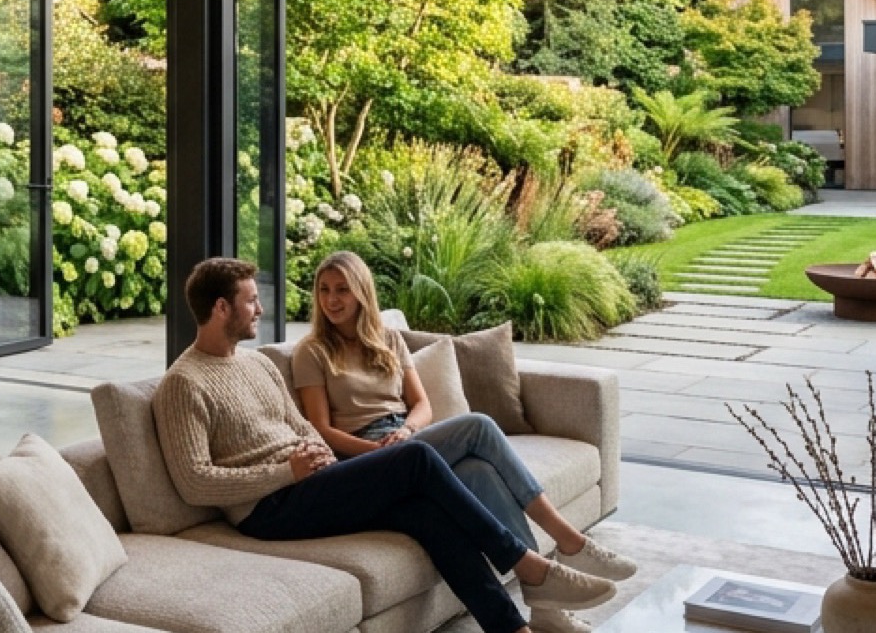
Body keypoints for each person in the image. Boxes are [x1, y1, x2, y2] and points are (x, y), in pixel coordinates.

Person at [154, 258, 619, 633]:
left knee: (427, 513)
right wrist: (286, 472)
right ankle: (528, 565)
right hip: (268, 510)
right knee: (417, 456)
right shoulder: (183, 383)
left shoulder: (255, 364)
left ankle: (510, 628)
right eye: (251, 301)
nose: (260, 310)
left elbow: (302, 425)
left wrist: (316, 455)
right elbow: (195, 482)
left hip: (311, 481)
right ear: (220, 308)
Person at [293, 251, 636, 590]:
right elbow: (322, 430)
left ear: (361, 292)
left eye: (342, 289)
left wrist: (407, 430)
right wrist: (380, 449)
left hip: (404, 435)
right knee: (479, 425)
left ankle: (540, 590)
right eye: (324, 289)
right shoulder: (312, 350)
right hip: (364, 455)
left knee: (479, 472)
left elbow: (421, 403)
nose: (331, 299)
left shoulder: (389, 339)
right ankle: (571, 542)